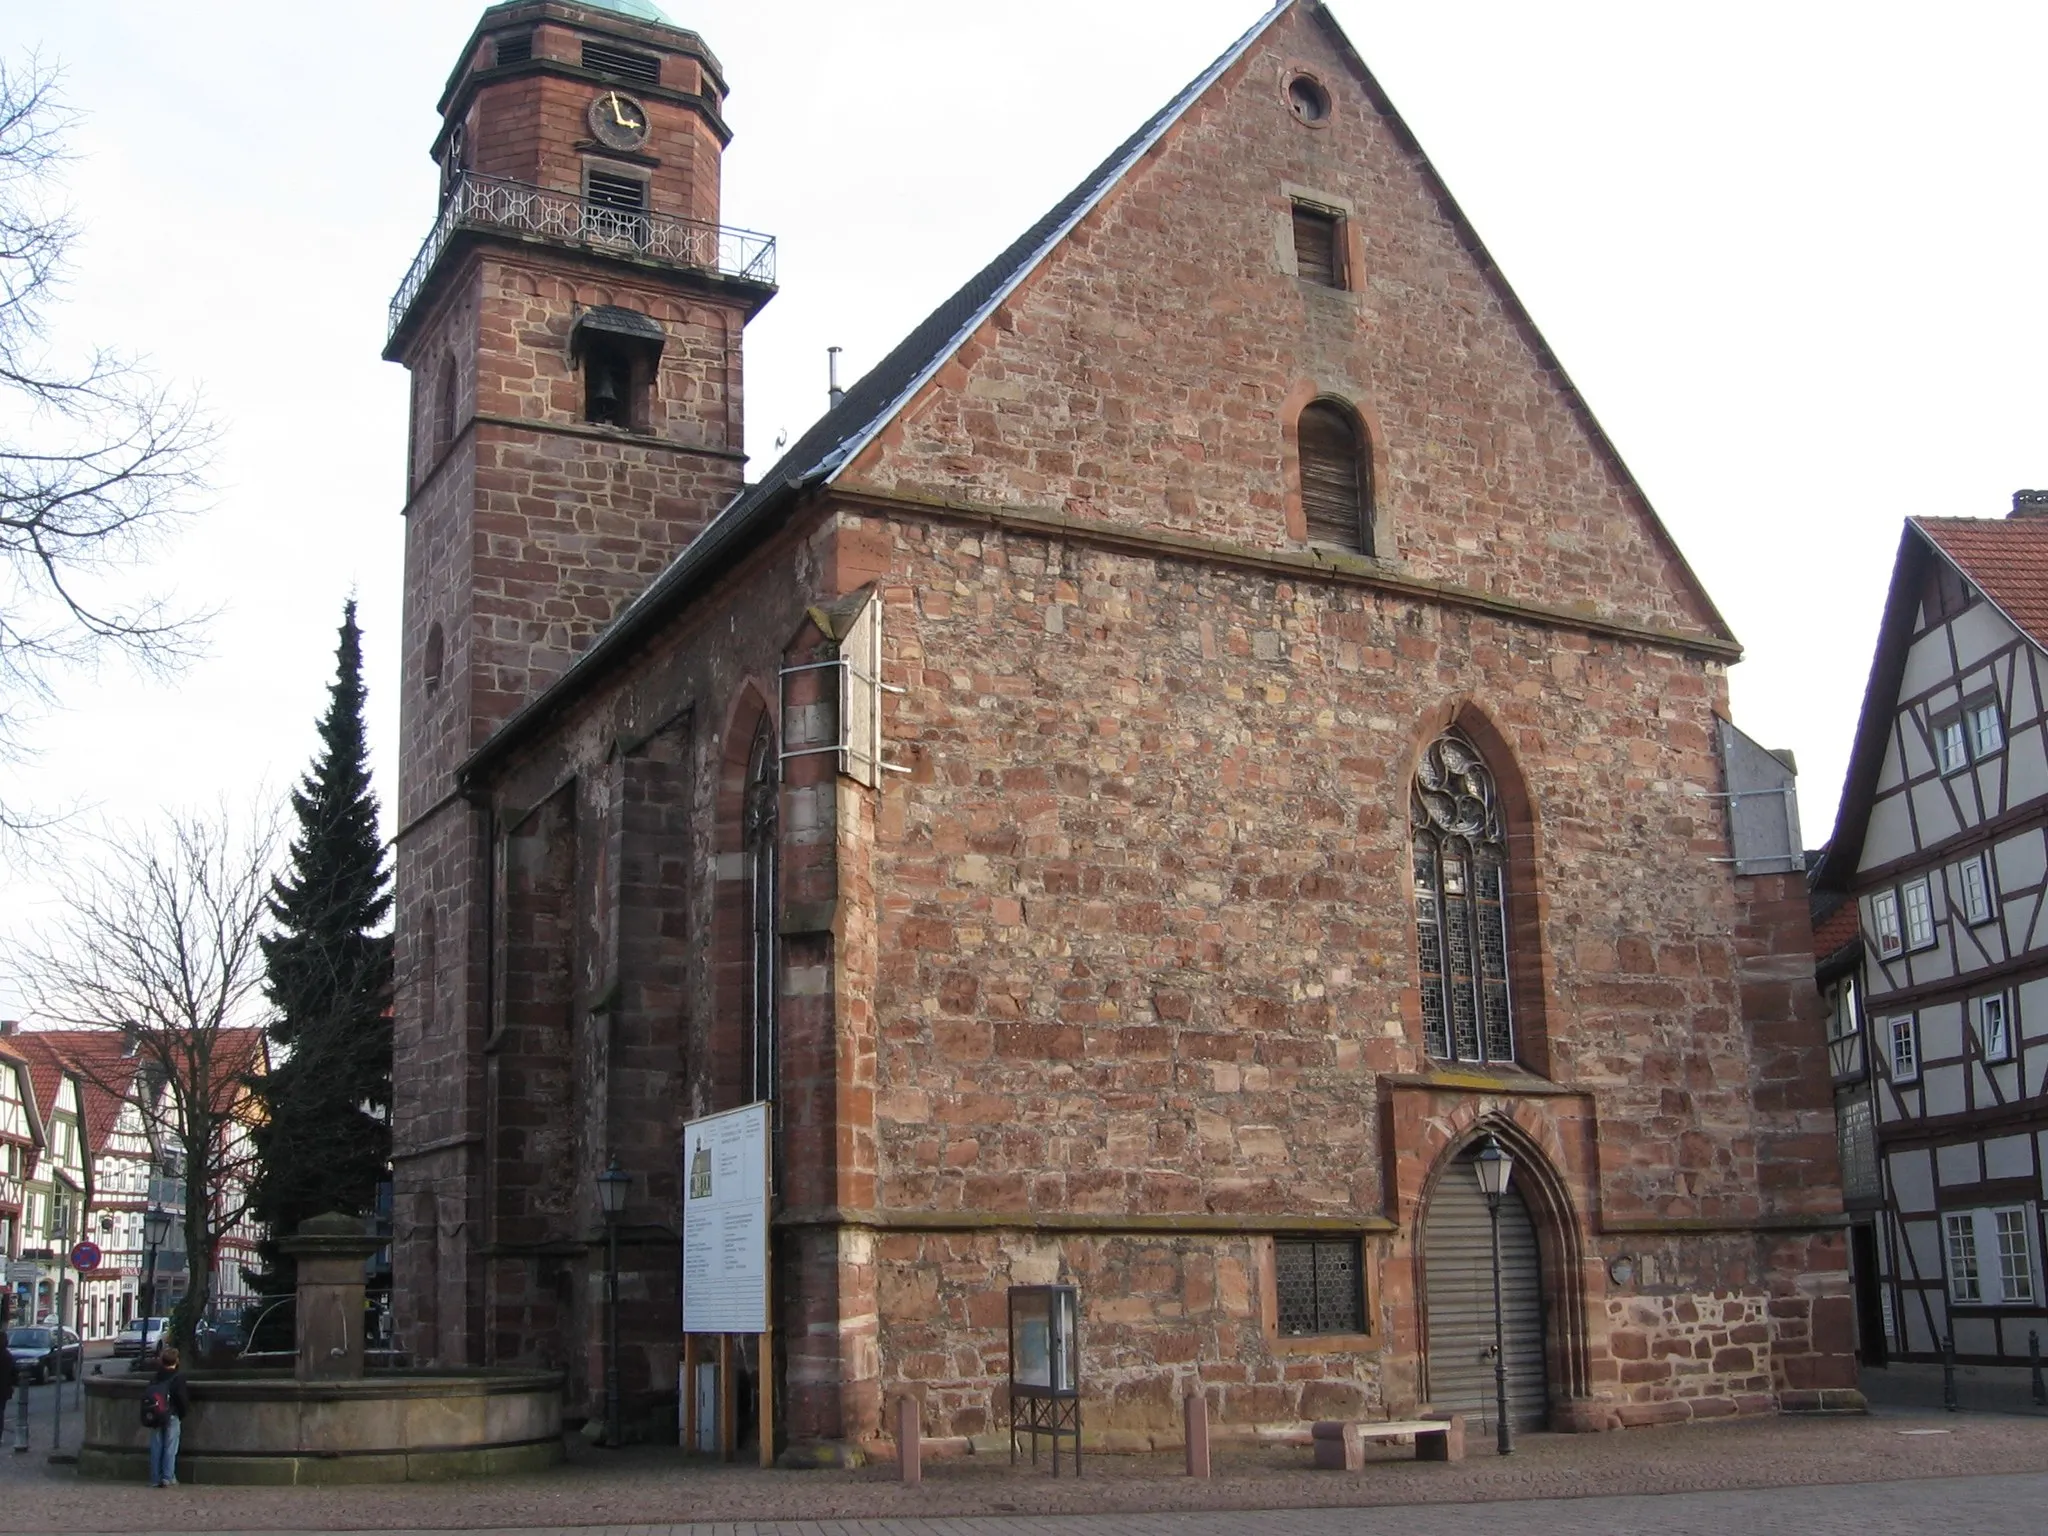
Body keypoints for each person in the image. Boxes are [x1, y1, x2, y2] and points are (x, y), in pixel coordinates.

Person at [145, 1345, 190, 1488]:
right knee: (170, 1447)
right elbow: (181, 1398)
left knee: (156, 1446)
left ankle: (154, 1478)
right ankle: (168, 1477)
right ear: (176, 1361)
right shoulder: (178, 1377)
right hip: (171, 1414)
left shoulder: (156, 1376)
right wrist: (182, 1412)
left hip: (156, 1414)